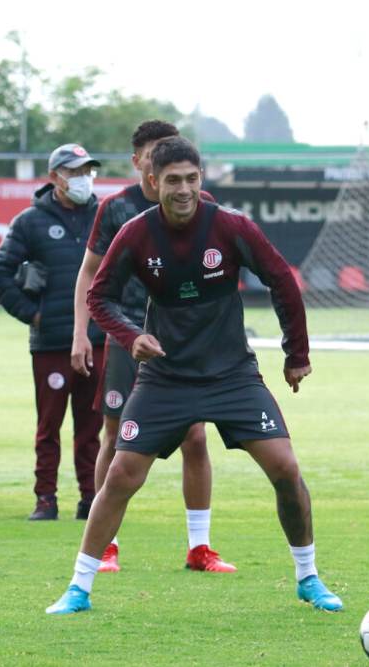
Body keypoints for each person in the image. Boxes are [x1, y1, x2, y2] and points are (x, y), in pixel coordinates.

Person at [46, 136, 342, 615]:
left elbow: (282, 280)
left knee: (286, 469)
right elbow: (99, 296)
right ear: (151, 182)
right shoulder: (137, 233)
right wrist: (129, 336)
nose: (183, 189)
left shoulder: (231, 227)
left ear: (201, 179)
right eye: (172, 180)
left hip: (233, 376)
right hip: (165, 379)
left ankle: (308, 577)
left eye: (191, 178)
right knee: (121, 473)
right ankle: (78, 588)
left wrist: (296, 354)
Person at [70, 120, 235, 573]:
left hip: (182, 342)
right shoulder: (117, 209)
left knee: (195, 436)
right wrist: (81, 332)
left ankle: (200, 547)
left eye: (174, 153)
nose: (167, 162)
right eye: (156, 153)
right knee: (116, 433)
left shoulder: (204, 207)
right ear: (140, 162)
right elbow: (89, 273)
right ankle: (107, 545)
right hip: (128, 337)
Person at [0, 144, 104, 521]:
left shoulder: (104, 216)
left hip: (98, 341)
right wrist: (33, 315)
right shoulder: (30, 221)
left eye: (87, 171)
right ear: (54, 177)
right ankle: (46, 499)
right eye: (74, 172)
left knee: (93, 428)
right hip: (52, 343)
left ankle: (91, 500)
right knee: (48, 426)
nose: (82, 179)